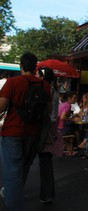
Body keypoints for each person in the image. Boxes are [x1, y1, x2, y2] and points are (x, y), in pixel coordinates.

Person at [0, 52, 51, 210]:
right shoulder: (45, 86)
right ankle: (14, 195)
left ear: (21, 66)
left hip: (12, 132)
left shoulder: (13, 82)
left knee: (12, 170)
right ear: (35, 67)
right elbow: (47, 110)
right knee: (24, 166)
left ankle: (14, 204)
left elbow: (1, 107)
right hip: (33, 133)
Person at [36, 67, 61, 204]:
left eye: (38, 75)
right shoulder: (55, 90)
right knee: (46, 161)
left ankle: (14, 189)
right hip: (52, 128)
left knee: (25, 159)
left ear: (42, 76)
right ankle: (47, 194)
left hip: (42, 127)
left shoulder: (45, 90)